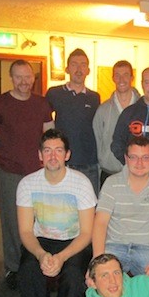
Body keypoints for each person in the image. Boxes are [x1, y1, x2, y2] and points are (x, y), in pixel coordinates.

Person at [16, 129, 96, 297]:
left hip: (74, 241)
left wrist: (61, 258)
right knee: (28, 272)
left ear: (67, 155)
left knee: (73, 276)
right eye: (47, 151)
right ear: (40, 155)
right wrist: (41, 255)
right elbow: (25, 231)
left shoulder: (80, 183)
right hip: (41, 241)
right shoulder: (27, 184)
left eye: (58, 150)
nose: (53, 156)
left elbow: (87, 232)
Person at [0, 59, 54, 290]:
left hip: (39, 174)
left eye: (27, 77)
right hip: (11, 173)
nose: (23, 81)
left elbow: (50, 135)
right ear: (11, 78)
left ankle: (35, 263)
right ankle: (13, 268)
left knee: (40, 220)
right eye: (18, 77)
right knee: (12, 221)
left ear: (33, 78)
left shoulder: (41, 103)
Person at [93, 136, 149, 293]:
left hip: (147, 248)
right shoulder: (111, 182)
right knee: (98, 287)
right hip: (114, 246)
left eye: (145, 158)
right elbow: (100, 223)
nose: (139, 163)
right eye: (134, 157)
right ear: (126, 158)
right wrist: (97, 261)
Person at [46, 48, 100, 195]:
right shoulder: (54, 93)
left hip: (89, 162)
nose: (79, 69)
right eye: (74, 64)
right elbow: (43, 123)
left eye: (83, 65)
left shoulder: (94, 98)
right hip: (62, 162)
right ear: (67, 69)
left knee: (89, 207)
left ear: (88, 70)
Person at [92, 60, 140, 186]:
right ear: (113, 78)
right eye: (117, 75)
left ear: (132, 77)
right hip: (109, 174)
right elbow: (97, 143)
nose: (121, 79)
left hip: (138, 175)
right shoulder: (103, 110)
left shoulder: (143, 109)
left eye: (125, 75)